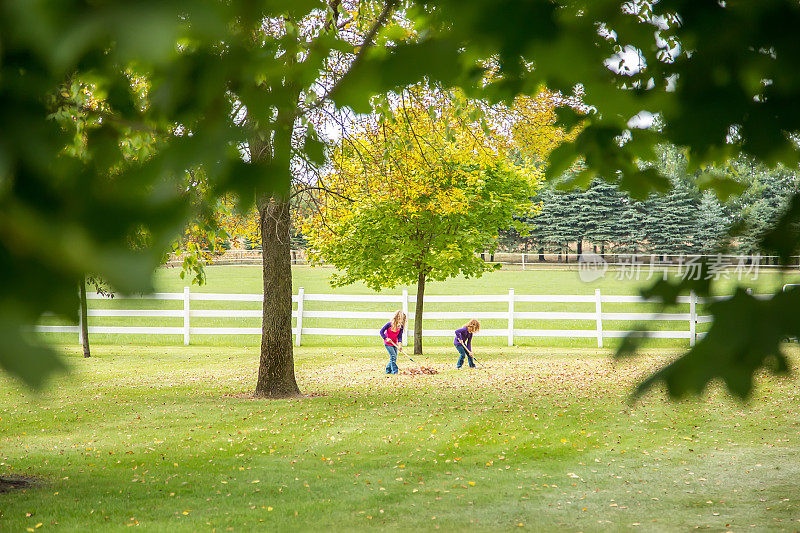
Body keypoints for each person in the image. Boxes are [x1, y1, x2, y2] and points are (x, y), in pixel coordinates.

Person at [379, 310, 407, 374]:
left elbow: (399, 337)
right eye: (400, 319)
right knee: (393, 356)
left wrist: (399, 345)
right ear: (397, 318)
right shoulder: (389, 324)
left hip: (394, 343)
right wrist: (386, 338)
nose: (401, 321)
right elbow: (381, 331)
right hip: (388, 343)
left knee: (393, 357)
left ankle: (388, 370)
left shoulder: (400, 327)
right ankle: (395, 372)